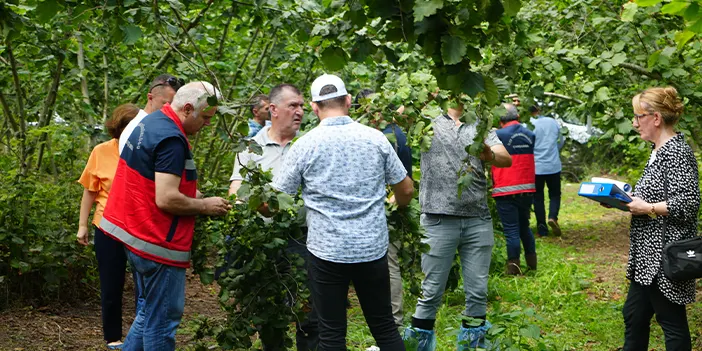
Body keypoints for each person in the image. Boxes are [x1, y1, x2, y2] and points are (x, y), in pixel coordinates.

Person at [271, 74, 414, 350]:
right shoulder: (375, 139)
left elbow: (278, 199)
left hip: (327, 252)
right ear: (348, 101)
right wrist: (393, 204)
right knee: (384, 327)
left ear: (314, 107)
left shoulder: (305, 145)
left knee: (331, 334)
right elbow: (406, 190)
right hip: (371, 249)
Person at [100, 82, 231, 351]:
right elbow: (167, 198)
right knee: (162, 322)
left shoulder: (152, 122)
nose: (207, 124)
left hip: (133, 233)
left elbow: (153, 178)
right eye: (205, 117)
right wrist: (205, 205)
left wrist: (191, 190)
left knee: (148, 312)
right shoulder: (172, 139)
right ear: (186, 109)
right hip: (156, 242)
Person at [403, 103, 512, 351]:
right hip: (437, 219)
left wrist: (490, 155)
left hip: (477, 219)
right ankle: (417, 347)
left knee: (477, 293)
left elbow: (506, 158)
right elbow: (396, 118)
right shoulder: (427, 118)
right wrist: (423, 98)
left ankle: (472, 347)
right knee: (430, 292)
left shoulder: (479, 121)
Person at [228, 84, 317, 351]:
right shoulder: (251, 147)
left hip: (303, 238)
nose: (300, 111)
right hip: (262, 240)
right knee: (268, 311)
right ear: (274, 110)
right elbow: (236, 188)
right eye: (293, 106)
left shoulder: (311, 143)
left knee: (309, 309)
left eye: (302, 105)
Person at [621, 87, 699, 350]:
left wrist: (649, 208)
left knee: (672, 325)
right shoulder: (658, 150)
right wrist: (623, 200)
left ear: (655, 118)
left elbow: (688, 203)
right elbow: (654, 196)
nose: (634, 122)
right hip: (647, 258)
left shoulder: (677, 152)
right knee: (634, 316)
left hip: (665, 258)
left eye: (638, 116)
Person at [76, 104, 140, 349]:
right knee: (111, 286)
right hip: (107, 227)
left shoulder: (145, 151)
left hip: (139, 228)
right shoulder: (101, 151)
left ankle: (140, 335)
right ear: (119, 127)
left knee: (142, 286)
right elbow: (89, 191)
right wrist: (82, 225)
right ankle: (113, 339)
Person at [355, 88, 413, 329]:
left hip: (381, 209)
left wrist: (391, 203)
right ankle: (388, 319)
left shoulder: (384, 136)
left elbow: (405, 182)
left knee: (388, 264)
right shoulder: (395, 133)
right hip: (385, 207)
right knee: (387, 264)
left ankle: (394, 322)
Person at [491, 103, 537, 275]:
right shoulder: (530, 134)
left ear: (501, 119)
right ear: (517, 117)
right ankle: (532, 265)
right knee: (524, 227)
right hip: (527, 188)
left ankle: (514, 269)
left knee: (511, 230)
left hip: (505, 188)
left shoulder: (497, 135)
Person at [119, 74, 183, 154]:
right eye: (167, 104)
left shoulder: (158, 127)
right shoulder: (137, 128)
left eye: (174, 106)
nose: (171, 110)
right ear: (150, 98)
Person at [529, 104, 565, 237]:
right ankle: (553, 217)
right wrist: (555, 150)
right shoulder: (552, 121)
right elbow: (561, 140)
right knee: (555, 194)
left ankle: (542, 229)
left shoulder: (527, 125)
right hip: (553, 165)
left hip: (536, 166)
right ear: (539, 110)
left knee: (538, 198)